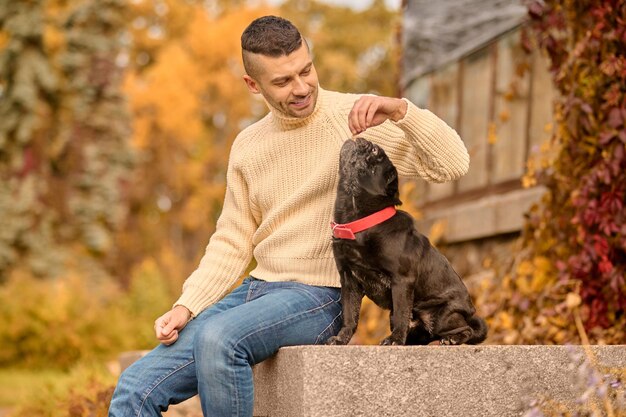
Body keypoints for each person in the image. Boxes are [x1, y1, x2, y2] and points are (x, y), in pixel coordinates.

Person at [108, 15, 469, 417]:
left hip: (318, 296)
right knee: (134, 389)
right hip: (255, 291)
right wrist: (186, 305)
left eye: (306, 71)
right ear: (253, 84)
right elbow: (231, 240)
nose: (300, 89)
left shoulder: (357, 119)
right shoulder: (247, 145)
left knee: (219, 339)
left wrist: (403, 111)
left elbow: (452, 165)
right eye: (282, 81)